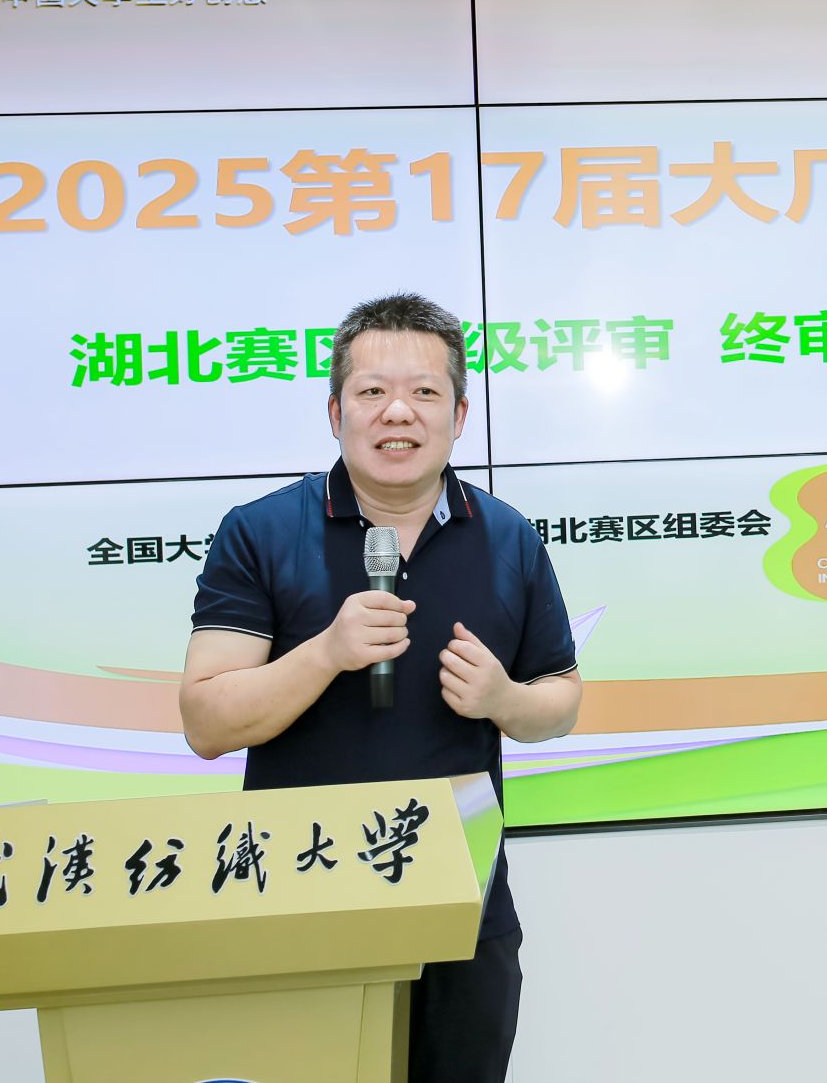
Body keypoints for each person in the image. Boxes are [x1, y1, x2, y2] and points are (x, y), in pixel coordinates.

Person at [179, 292, 581, 1082]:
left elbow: (561, 699)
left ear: (458, 416)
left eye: (425, 391)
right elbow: (205, 721)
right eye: (372, 391)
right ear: (336, 412)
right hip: (300, 903)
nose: (398, 411)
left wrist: (502, 699)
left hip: (462, 907)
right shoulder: (260, 531)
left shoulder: (508, 537)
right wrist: (326, 652)